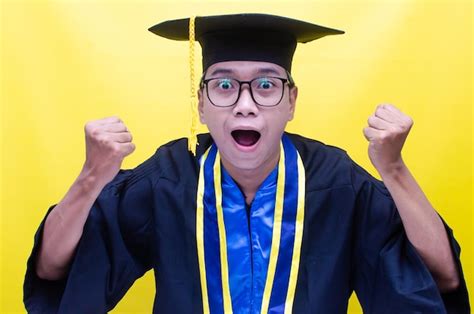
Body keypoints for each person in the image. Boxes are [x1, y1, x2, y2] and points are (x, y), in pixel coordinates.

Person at [23, 13, 469, 313]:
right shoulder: (168, 180)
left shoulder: (339, 184)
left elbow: (441, 280)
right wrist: (90, 179)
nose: (245, 106)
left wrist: (394, 170)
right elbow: (52, 272)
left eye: (267, 85)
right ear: (200, 104)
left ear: (291, 101)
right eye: (223, 86)